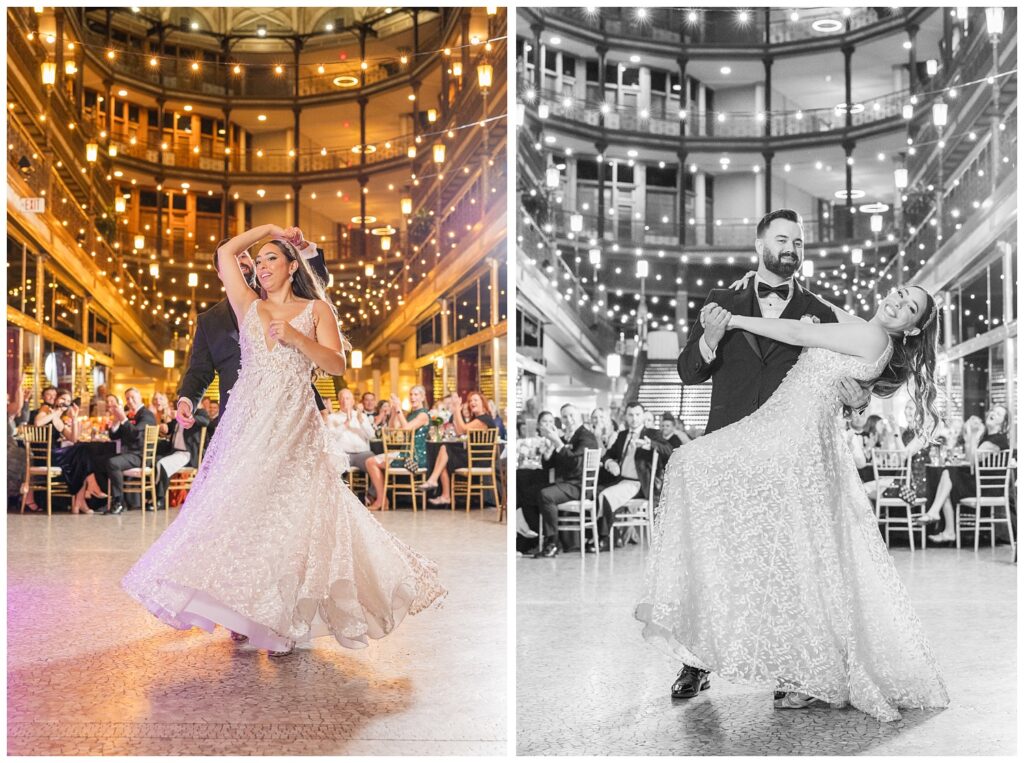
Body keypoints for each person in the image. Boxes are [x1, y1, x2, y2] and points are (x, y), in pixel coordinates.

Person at [122, 224, 445, 657]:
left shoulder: (316, 310)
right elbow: (225, 254)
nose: (260, 265)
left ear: (293, 266)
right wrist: (271, 230)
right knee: (244, 510)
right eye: (258, 260)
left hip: (296, 424)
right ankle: (244, 606)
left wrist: (295, 337)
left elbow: (336, 365)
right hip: (249, 425)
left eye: (272, 257)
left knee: (295, 514)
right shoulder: (248, 308)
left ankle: (284, 613)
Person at [637, 283, 949, 722]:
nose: (897, 302)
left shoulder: (872, 337)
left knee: (694, 466)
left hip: (791, 440)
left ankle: (800, 666)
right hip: (787, 435)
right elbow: (832, 318)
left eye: (908, 307)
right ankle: (710, 649)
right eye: (899, 293)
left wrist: (737, 320)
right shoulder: (859, 326)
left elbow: (803, 338)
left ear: (913, 329)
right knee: (801, 556)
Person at [678, 209, 871, 436]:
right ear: (759, 246)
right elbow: (687, 374)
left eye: (798, 243)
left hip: (792, 446)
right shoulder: (722, 300)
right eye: (782, 240)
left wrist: (860, 402)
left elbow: (844, 376)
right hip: (728, 442)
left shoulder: (821, 311)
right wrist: (709, 340)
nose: (791, 249)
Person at [174, 236, 327, 444]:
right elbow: (200, 370)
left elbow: (314, 283)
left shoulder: (279, 291)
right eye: (232, 259)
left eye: (244, 255)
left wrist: (305, 249)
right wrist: (187, 401)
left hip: (291, 410)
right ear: (222, 273)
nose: (239, 262)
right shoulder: (209, 321)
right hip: (239, 418)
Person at [917, 403, 1011, 542]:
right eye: (993, 411)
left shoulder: (997, 440)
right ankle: (946, 528)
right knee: (947, 478)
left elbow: (972, 460)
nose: (993, 413)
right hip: (979, 483)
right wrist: (971, 435)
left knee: (948, 474)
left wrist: (972, 434)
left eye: (998, 414)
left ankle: (937, 516)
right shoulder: (987, 438)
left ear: (1003, 423)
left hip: (987, 488)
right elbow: (969, 458)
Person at [594, 402, 673, 552]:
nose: (634, 418)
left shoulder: (652, 433)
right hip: (621, 480)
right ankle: (611, 535)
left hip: (639, 484)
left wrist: (650, 445)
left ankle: (603, 538)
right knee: (595, 493)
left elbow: (669, 450)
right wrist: (610, 462)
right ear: (626, 417)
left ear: (643, 416)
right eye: (630, 415)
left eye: (637, 414)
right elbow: (608, 454)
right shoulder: (623, 435)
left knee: (606, 495)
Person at [533, 404, 600, 557]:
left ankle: (552, 542)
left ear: (579, 417)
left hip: (579, 486)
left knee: (545, 495)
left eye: (571, 416)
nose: (568, 420)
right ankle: (530, 539)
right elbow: (548, 465)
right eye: (564, 416)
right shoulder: (566, 437)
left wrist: (558, 443)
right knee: (531, 491)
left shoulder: (586, 437)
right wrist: (549, 448)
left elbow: (575, 464)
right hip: (566, 484)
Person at [418, 391, 497, 507]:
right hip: (472, 456)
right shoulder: (477, 419)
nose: (471, 403)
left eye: (475, 400)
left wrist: (456, 410)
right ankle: (442, 492)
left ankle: (439, 487)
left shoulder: (484, 419)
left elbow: (462, 429)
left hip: (479, 460)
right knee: (443, 451)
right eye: (470, 401)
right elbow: (460, 431)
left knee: (444, 451)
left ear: (483, 404)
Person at [93, 387, 158, 514]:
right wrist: (117, 421)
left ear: (140, 397)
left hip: (140, 456)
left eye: (133, 397)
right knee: (97, 462)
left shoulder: (147, 415)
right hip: (128, 454)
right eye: (127, 398)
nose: (130, 400)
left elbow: (135, 435)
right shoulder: (130, 414)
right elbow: (114, 436)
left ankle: (118, 502)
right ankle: (113, 499)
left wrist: (123, 419)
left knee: (113, 463)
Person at [325, 388, 386, 511]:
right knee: (330, 465)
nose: (344, 401)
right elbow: (330, 438)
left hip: (363, 454)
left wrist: (361, 421)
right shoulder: (332, 418)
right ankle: (339, 501)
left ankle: (372, 496)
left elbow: (371, 435)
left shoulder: (361, 416)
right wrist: (345, 424)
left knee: (378, 464)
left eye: (347, 398)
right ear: (338, 401)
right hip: (343, 454)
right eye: (341, 398)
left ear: (353, 401)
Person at [154, 405, 211, 511]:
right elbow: (169, 428)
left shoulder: (199, 412)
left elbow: (206, 421)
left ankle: (160, 500)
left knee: (163, 464)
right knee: (153, 461)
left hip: (187, 454)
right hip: (174, 452)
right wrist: (164, 427)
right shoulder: (179, 414)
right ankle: (152, 497)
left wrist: (188, 416)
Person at [516, 410, 557, 554]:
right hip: (532, 474)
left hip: (548, 478)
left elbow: (548, 460)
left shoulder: (557, 440)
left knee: (523, 490)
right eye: (545, 422)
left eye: (551, 422)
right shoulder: (531, 440)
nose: (548, 424)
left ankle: (529, 533)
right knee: (519, 476)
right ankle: (526, 533)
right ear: (538, 425)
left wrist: (551, 444)